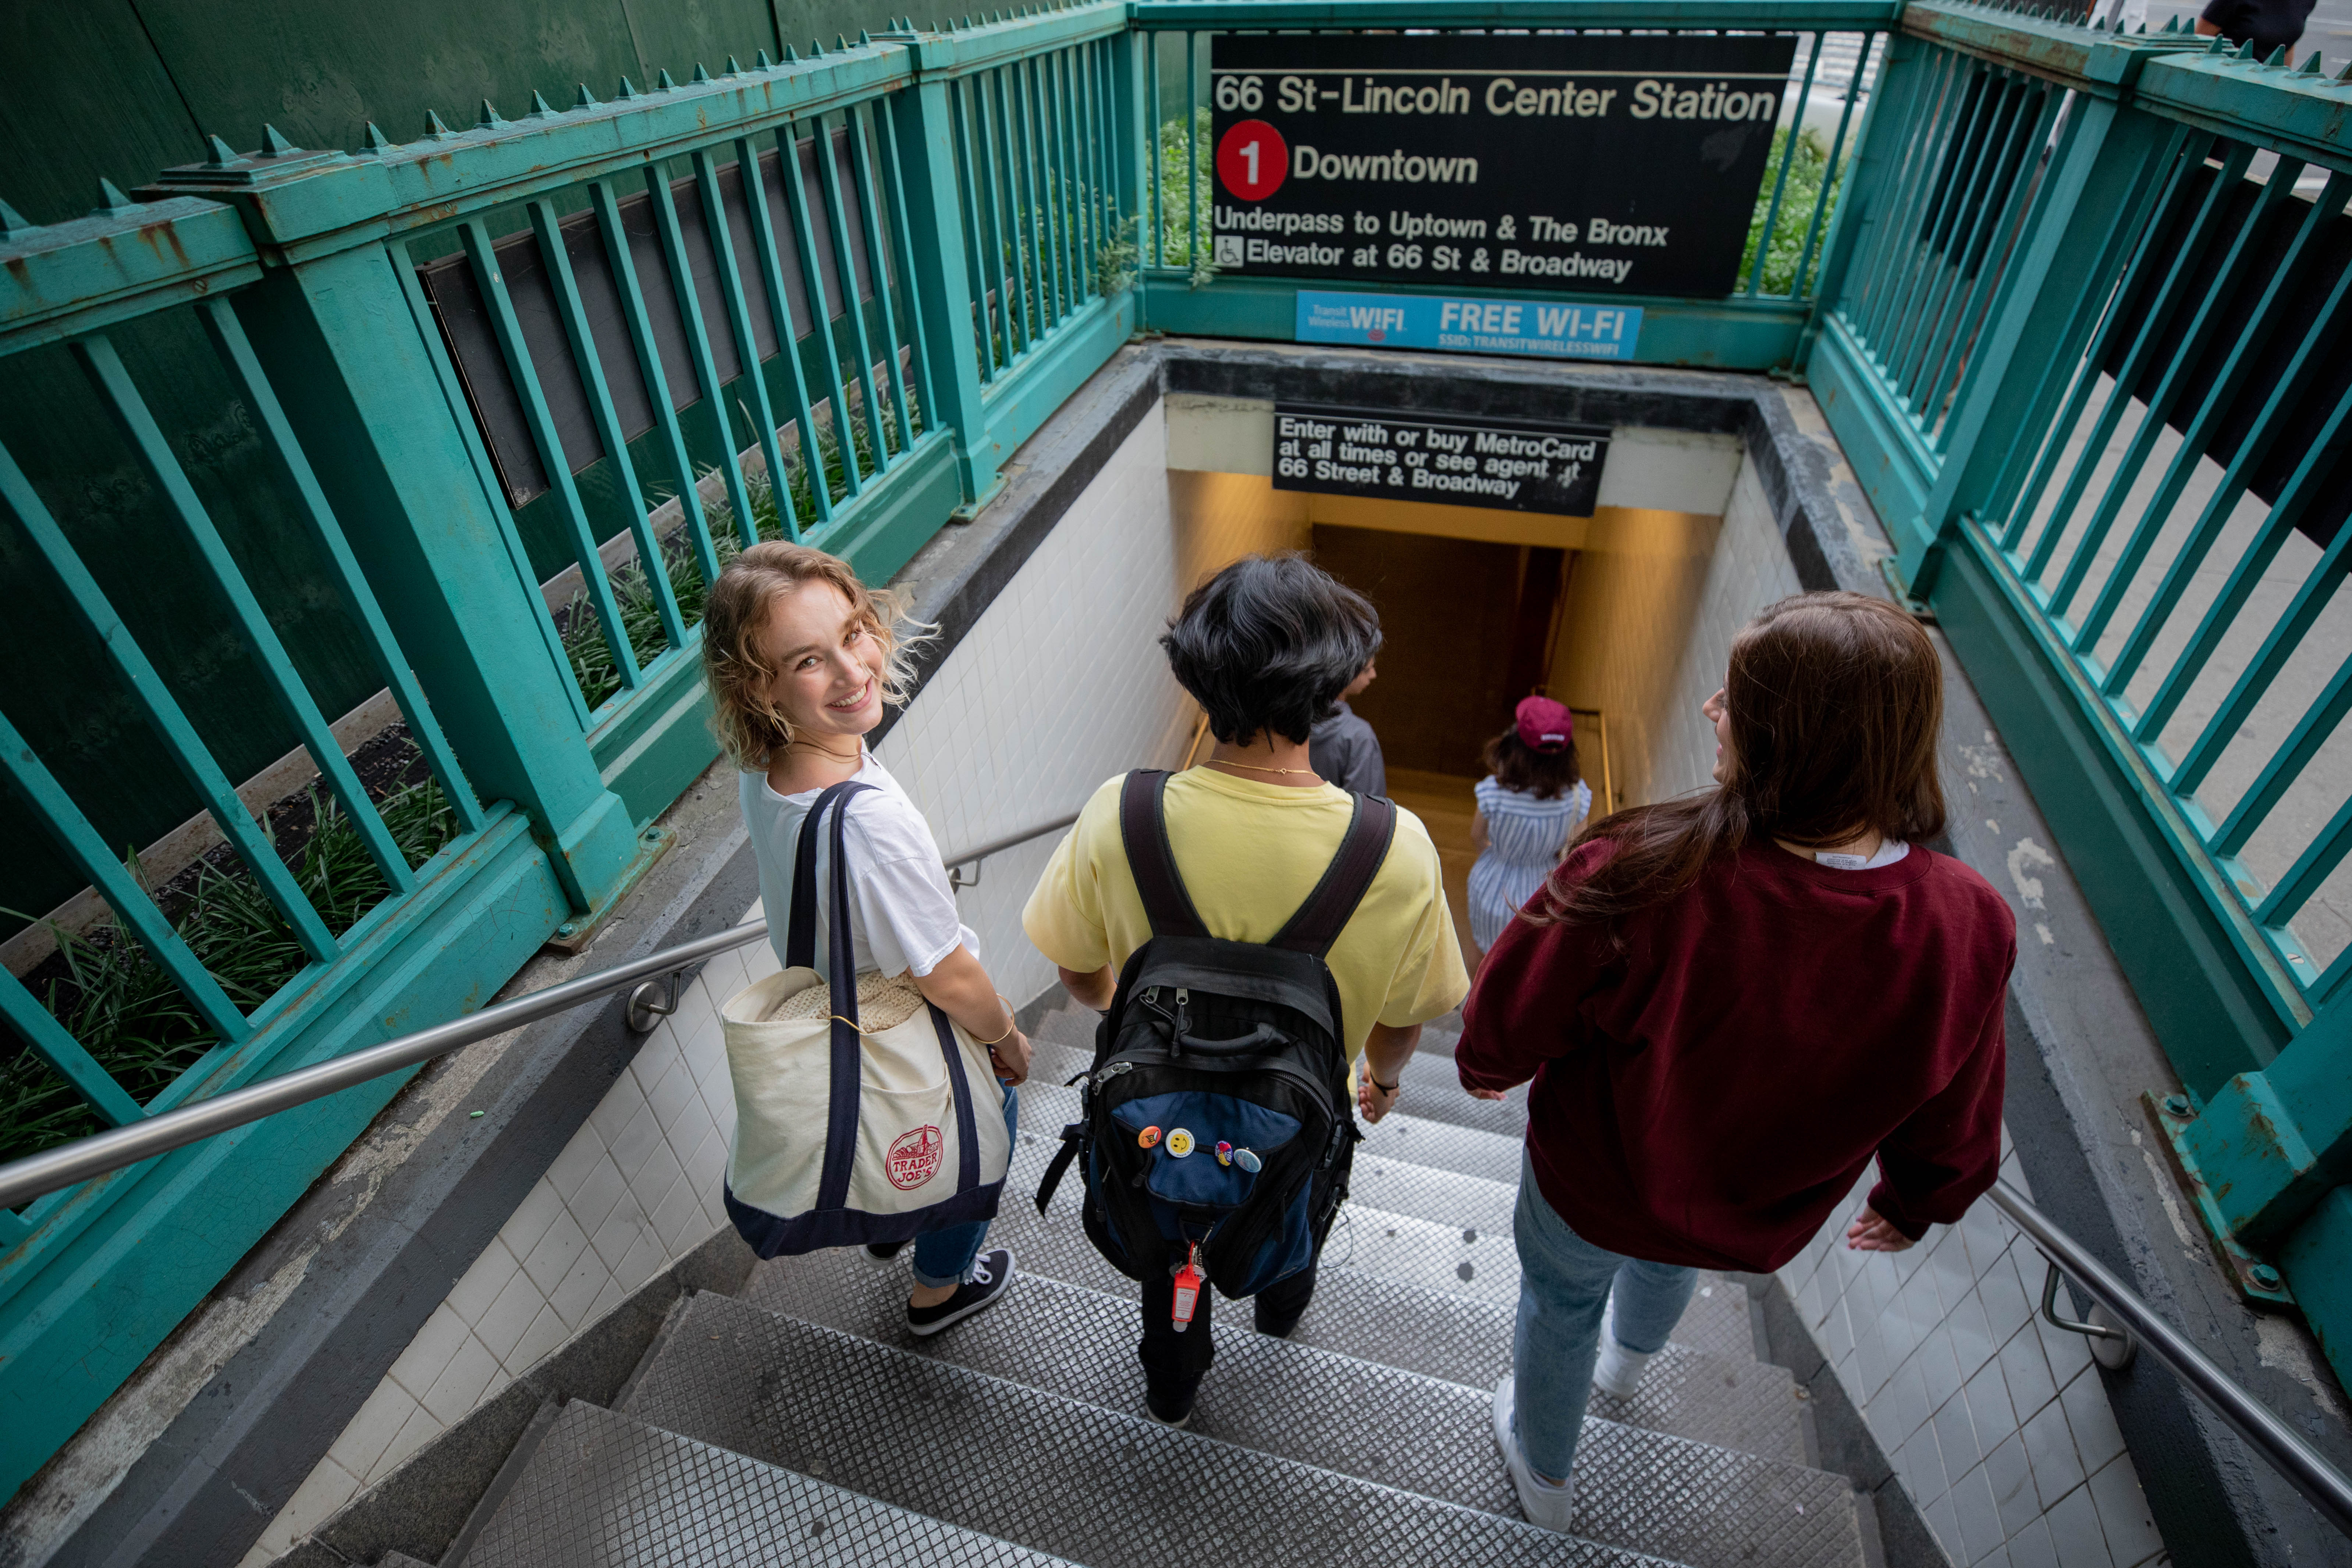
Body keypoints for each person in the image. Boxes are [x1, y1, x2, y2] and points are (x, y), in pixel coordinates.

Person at [1456, 591, 2014, 1532]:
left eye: (1737, 700)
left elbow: (1517, 1003)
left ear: (1790, 739)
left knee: (1558, 1305)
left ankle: (1544, 1477)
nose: (1713, 710)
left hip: (1591, 1179)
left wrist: (1487, 1062)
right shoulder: (1964, 923)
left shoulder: (1639, 869)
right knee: (1668, 1263)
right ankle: (1627, 1366)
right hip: (1746, 1213)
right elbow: (1959, 1088)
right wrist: (1917, 1199)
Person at [1024, 554, 1469, 1425]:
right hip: (1300, 1111)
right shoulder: (1397, 847)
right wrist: (1378, 1082)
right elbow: (1403, 1021)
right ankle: (1277, 1303)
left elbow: (1078, 973)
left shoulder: (1122, 814)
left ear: (1194, 674)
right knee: (1300, 1192)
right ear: (1333, 683)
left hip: (1158, 1121)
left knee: (1168, 1245)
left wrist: (1132, 1010)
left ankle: (1172, 1388)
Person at [702, 541, 1033, 1336]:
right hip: (904, 1011)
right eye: (811, 660)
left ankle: (891, 1219)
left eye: (854, 632)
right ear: (761, 685)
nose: (855, 672)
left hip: (836, 991)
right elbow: (945, 972)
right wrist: (1008, 1037)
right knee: (989, 1126)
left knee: (897, 1119)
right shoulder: (869, 823)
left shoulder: (769, 765)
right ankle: (939, 1289)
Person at [1466, 696, 1593, 965]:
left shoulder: (1494, 791)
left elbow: (1477, 835)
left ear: (1516, 744)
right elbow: (1576, 850)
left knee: (1483, 954)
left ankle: (1476, 1003)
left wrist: (1497, 856)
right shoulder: (1577, 796)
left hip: (1491, 885)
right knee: (1523, 963)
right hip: (1541, 894)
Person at [1307, 657, 1386, 796]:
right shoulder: (1359, 736)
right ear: (1344, 672)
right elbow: (1368, 808)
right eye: (1367, 670)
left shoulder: (1277, 725)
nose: (1374, 675)